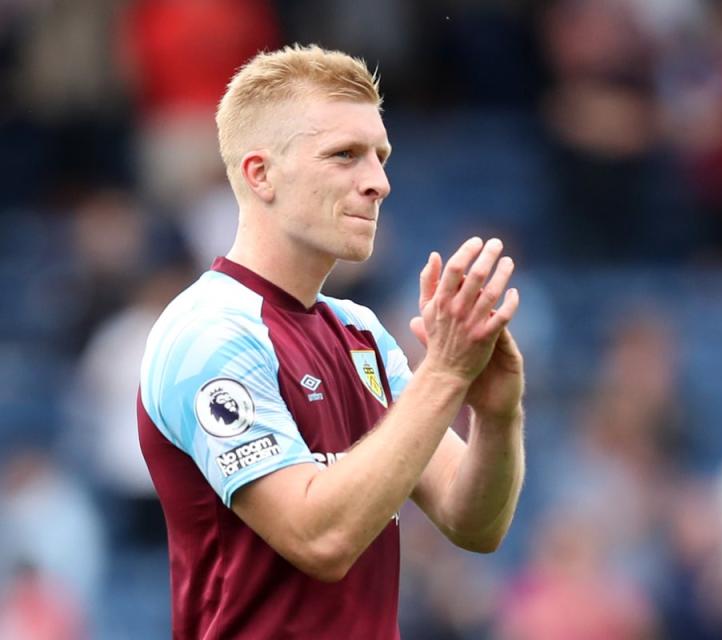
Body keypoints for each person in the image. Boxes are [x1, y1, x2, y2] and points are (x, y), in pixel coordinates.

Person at [137, 44, 526, 639]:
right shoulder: (210, 332)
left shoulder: (361, 334)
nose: (379, 183)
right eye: (345, 155)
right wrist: (443, 376)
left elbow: (473, 522)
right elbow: (319, 539)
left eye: (380, 156)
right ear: (260, 174)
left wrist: (497, 415)